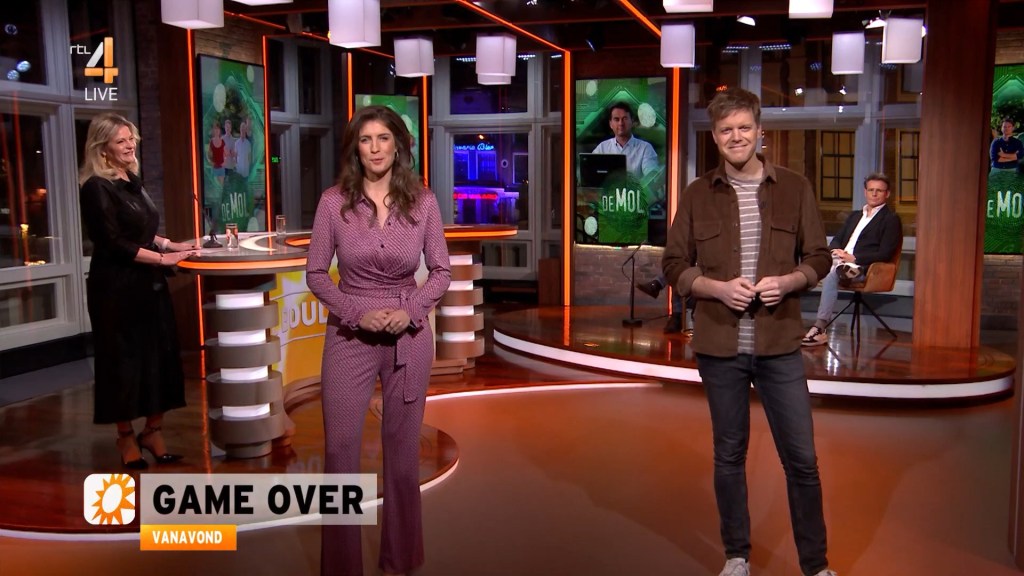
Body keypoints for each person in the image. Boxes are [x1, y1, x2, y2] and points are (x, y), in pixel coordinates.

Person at [662, 88, 837, 576]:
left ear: (760, 131)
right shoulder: (697, 194)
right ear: (715, 138)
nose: (735, 137)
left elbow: (819, 257)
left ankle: (815, 565)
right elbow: (673, 264)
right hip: (720, 348)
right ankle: (737, 556)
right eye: (726, 130)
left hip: (779, 345)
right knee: (729, 456)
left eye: (744, 127)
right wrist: (715, 288)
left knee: (802, 459)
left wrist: (790, 281)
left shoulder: (795, 188)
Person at [306, 105, 451, 576]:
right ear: (356, 148)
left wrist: (410, 311)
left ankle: (401, 560)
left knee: (403, 456)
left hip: (408, 336)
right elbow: (316, 274)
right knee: (339, 451)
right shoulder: (333, 203)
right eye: (366, 139)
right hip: (350, 334)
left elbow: (441, 271)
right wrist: (357, 312)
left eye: (383, 138)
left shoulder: (423, 202)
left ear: (398, 145)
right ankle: (341, 567)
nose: (375, 148)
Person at [78, 113, 196, 469]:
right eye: (121, 141)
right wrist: (163, 259)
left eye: (131, 139)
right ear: (103, 148)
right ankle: (126, 437)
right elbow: (113, 241)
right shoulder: (95, 187)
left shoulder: (131, 180)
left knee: (161, 357)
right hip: (116, 290)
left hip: (149, 285)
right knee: (124, 364)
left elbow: (140, 229)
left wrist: (171, 244)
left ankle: (153, 431)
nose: (130, 145)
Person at [802, 173, 903, 346]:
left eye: (879, 191)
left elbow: (885, 253)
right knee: (810, 265)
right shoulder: (855, 216)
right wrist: (836, 250)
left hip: (864, 267)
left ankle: (819, 328)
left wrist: (854, 257)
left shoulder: (890, 219)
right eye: (871, 190)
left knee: (833, 273)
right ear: (865, 192)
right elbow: (837, 239)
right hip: (839, 259)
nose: (874, 194)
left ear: (887, 194)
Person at [592, 101, 659, 181]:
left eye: (625, 118)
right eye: (616, 119)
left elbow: (651, 174)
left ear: (632, 121)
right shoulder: (602, 148)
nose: (621, 123)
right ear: (610, 124)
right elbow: (591, 172)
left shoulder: (645, 148)